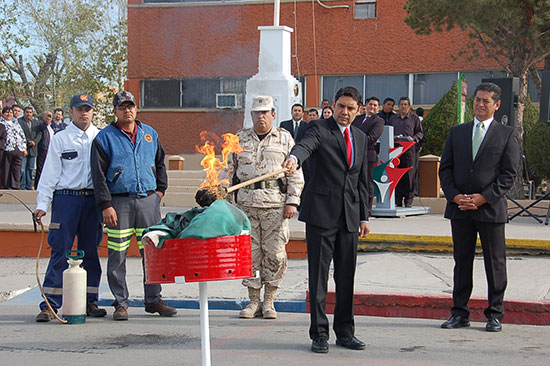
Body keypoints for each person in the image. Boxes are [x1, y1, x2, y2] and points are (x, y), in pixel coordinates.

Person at [283, 86, 370, 354]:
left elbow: (362, 180)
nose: (345, 112)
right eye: (341, 106)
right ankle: (319, 334)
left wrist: (364, 216)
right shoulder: (319, 128)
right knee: (318, 278)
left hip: (349, 218)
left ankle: (345, 332)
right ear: (334, 105)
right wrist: (294, 158)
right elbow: (305, 146)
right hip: (322, 216)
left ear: (358, 111)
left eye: (351, 108)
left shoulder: (360, 137)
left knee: (347, 278)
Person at [439, 82, 520, 333]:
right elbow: (446, 169)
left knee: (495, 264)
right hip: (461, 209)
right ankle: (459, 312)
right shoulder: (458, 132)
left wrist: (484, 197)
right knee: (462, 262)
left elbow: (508, 174)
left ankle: (494, 314)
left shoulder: (506, 134)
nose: (480, 105)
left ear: (496, 105)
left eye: (486, 101)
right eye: (477, 100)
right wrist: (454, 197)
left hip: (490, 210)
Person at [91, 90, 176, 321]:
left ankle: (154, 300)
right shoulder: (104, 138)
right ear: (115, 111)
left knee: (152, 252)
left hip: (148, 202)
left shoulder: (150, 134)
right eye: (122, 107)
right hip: (119, 204)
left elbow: (160, 163)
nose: (127, 110)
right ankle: (121, 303)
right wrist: (106, 205)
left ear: (136, 109)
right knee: (117, 255)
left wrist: (159, 191)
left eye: (131, 106)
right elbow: (98, 176)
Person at [227, 95, 304, 320]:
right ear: (251, 115)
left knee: (275, 254)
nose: (260, 116)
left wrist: (292, 200)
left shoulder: (284, 138)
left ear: (273, 114)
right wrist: (227, 202)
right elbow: (227, 171)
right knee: (250, 256)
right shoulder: (239, 139)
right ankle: (253, 301)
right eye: (256, 112)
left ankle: (269, 301)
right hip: (246, 207)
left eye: (265, 112)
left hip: (275, 206)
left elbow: (295, 172)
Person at [34, 94, 106, 322]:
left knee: (90, 252)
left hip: (92, 201)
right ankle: (50, 305)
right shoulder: (60, 138)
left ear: (93, 111)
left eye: (88, 109)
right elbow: (50, 173)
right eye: (79, 109)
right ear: (71, 111)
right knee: (60, 251)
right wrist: (42, 205)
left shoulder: (102, 137)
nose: (84, 113)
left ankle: (89, 301)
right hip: (66, 199)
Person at [387, 97, 424, 207]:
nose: (403, 106)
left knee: (409, 175)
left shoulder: (414, 119)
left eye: (405, 104)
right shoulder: (393, 119)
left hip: (409, 150)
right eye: (401, 104)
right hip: (395, 150)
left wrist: (414, 139)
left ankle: (408, 200)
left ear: (409, 106)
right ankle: (397, 199)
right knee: (396, 174)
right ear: (398, 106)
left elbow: (420, 133)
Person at [352, 96, 385, 215]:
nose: (372, 107)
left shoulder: (379, 121)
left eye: (375, 105)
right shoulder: (357, 118)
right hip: (353, 153)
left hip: (367, 154)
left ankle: (367, 208)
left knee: (367, 180)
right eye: (370, 104)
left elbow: (371, 138)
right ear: (366, 105)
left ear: (378, 108)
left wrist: (354, 140)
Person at [0, 106, 27, 189]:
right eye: (7, 112)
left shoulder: (16, 124)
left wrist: (24, 147)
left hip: (18, 148)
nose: (9, 114)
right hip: (7, 149)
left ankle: (15, 185)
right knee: (6, 168)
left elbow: (22, 136)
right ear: (3, 114)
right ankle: (4, 185)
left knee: (17, 169)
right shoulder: (1, 123)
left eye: (11, 112)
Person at [19, 106, 42, 190]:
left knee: (30, 169)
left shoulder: (36, 122)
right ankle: (22, 186)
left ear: (32, 113)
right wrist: (28, 141)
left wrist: (34, 142)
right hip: (23, 148)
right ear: (24, 113)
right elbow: (20, 134)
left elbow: (40, 134)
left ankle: (29, 186)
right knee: (22, 169)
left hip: (33, 149)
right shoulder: (20, 121)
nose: (28, 114)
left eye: (30, 112)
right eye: (27, 112)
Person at [34, 110, 54, 189]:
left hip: (50, 150)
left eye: (50, 116)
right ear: (43, 117)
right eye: (47, 116)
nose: (49, 118)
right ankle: (38, 186)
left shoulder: (51, 127)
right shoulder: (41, 126)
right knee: (40, 169)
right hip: (43, 149)